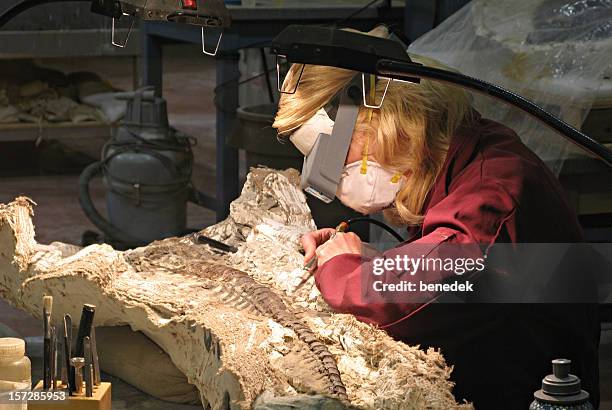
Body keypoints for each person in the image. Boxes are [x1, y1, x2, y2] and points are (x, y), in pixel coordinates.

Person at [273, 26, 600, 409]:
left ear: (389, 122)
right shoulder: (467, 148)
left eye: (341, 157)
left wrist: (343, 269)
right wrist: (367, 258)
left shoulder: (493, 196)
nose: (338, 175)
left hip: (517, 389)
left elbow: (435, 282)